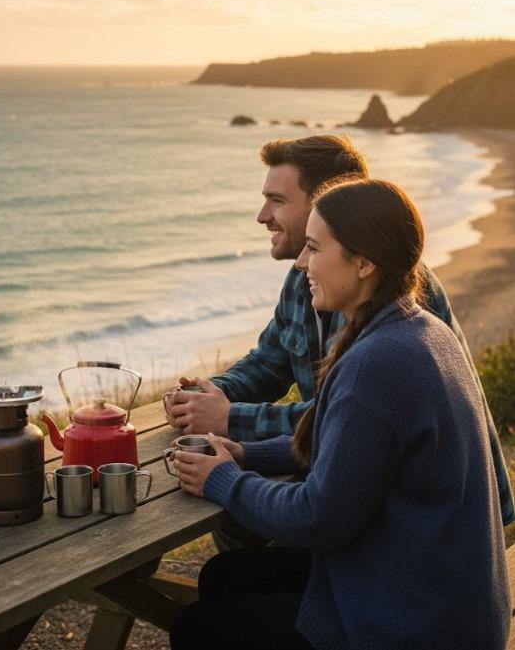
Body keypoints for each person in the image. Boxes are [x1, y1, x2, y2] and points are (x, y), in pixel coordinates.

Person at [169, 179, 511, 650]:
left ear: (365, 262)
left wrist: (223, 479)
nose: (303, 263)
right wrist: (246, 453)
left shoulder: (379, 362)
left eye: (314, 248)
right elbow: (347, 447)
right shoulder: (417, 325)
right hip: (438, 590)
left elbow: (317, 517)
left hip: (416, 623)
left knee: (199, 628)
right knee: (228, 575)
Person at [165, 135, 514, 530]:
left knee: (237, 540)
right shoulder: (308, 281)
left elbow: (348, 421)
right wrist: (206, 396)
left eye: (277, 200)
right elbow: (269, 363)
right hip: (359, 481)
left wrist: (232, 420)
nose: (262, 216)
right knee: (236, 536)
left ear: (326, 208)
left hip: (433, 525)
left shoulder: (404, 300)